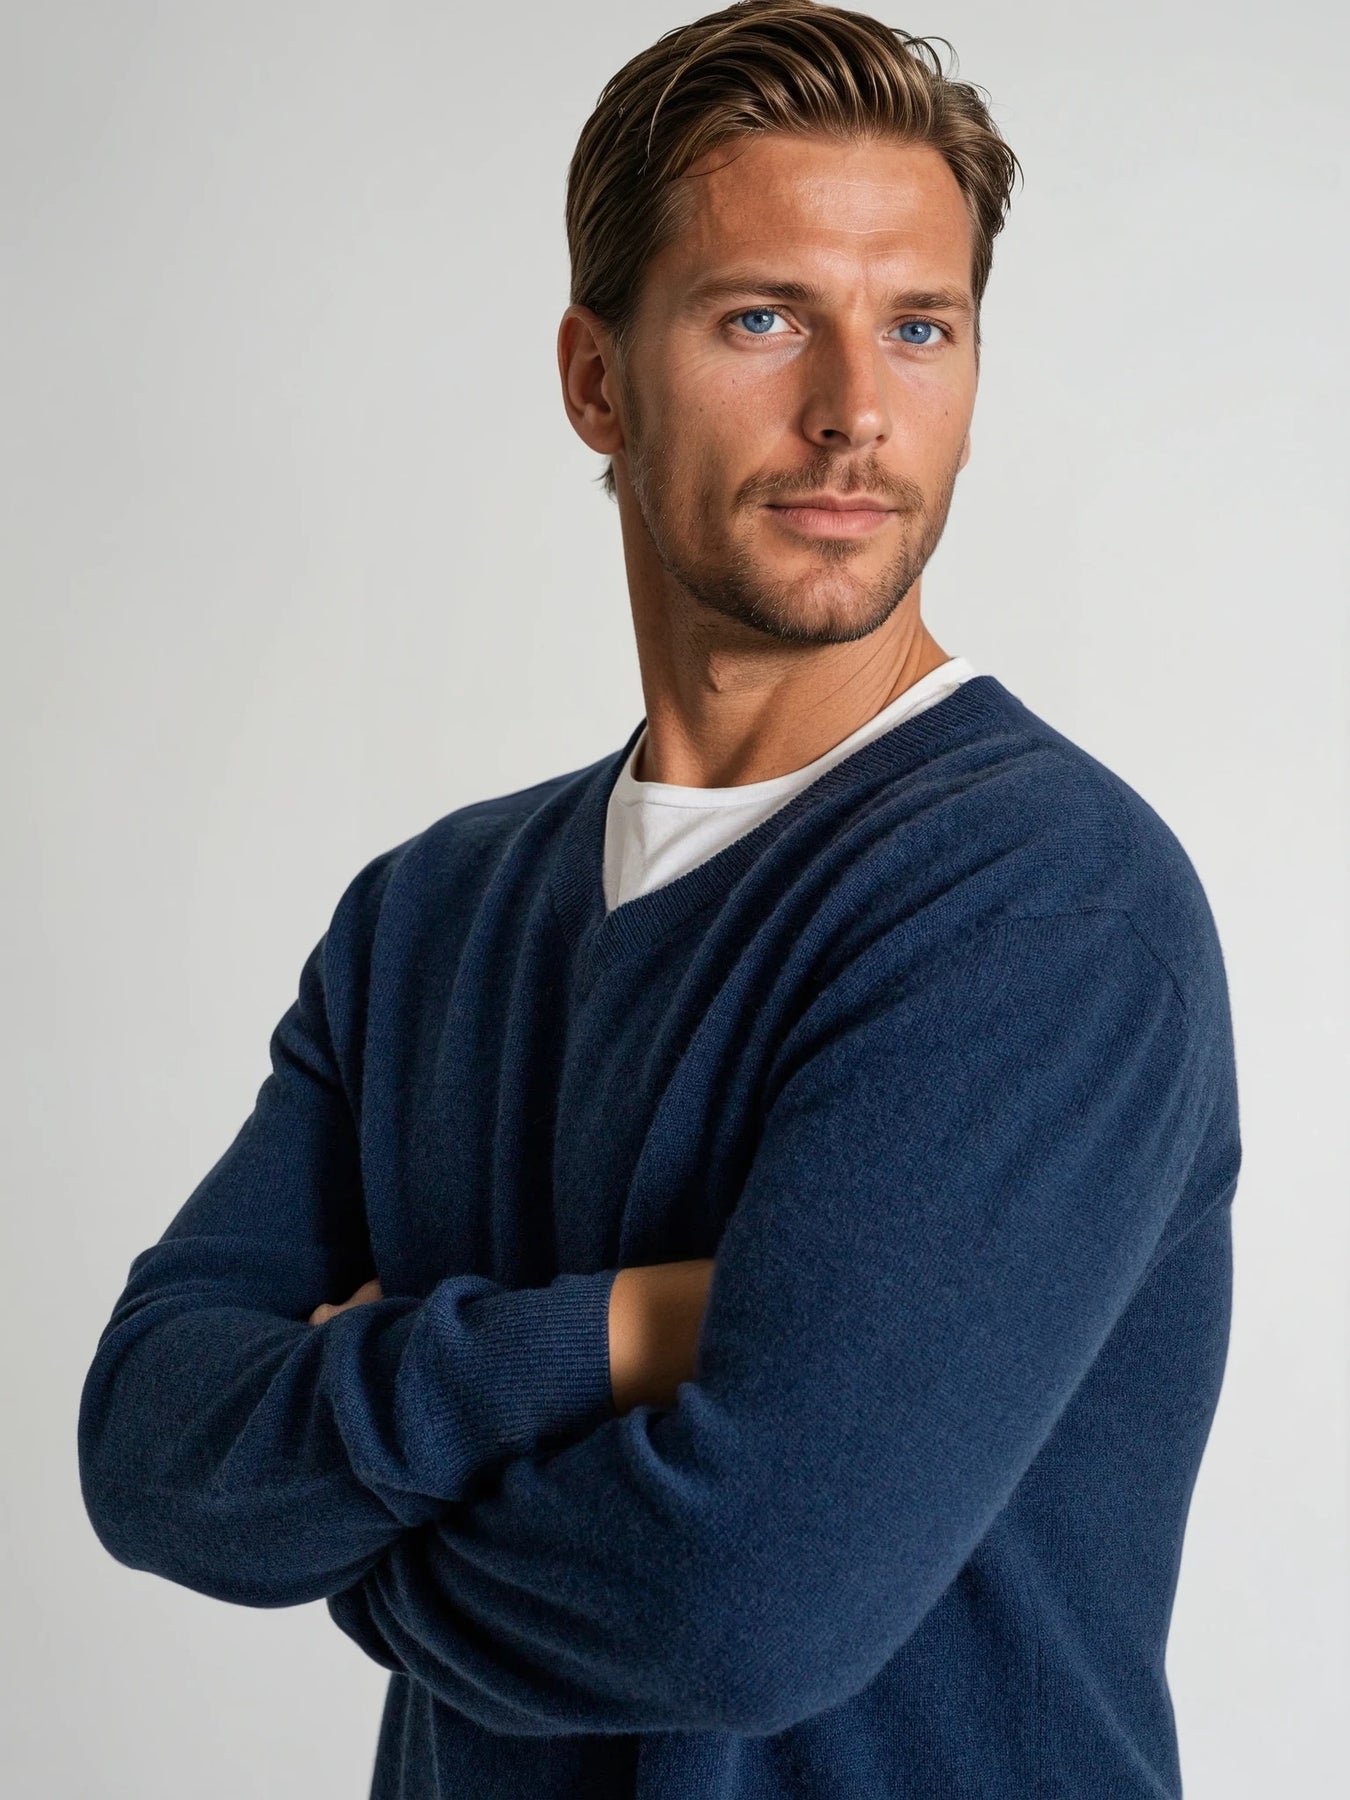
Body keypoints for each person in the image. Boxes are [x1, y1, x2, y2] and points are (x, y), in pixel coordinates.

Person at [77, 3, 1241, 1796]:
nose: (854, 411)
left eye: (918, 326)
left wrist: (359, 1531)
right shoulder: (426, 920)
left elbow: (739, 1607)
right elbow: (155, 1451)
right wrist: (639, 1330)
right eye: (762, 317)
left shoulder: (1040, 910)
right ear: (596, 382)